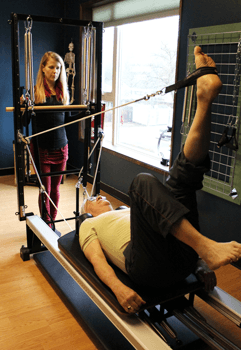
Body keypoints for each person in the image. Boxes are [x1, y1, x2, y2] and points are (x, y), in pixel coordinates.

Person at [79, 47, 241, 313]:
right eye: (93, 201)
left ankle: (205, 98)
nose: (98, 197)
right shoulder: (90, 226)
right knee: (142, 183)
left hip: (181, 256)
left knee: (181, 180)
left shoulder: (128, 212)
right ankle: (206, 247)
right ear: (88, 213)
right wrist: (119, 289)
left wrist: (198, 264)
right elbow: (98, 262)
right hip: (146, 269)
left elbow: (168, 223)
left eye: (98, 196)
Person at [32, 51, 70, 227]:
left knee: (55, 189)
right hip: (42, 148)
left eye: (58, 67)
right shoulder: (36, 93)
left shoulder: (63, 92)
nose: (55, 71)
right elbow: (25, 121)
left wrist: (88, 109)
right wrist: (23, 105)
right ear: (43, 68)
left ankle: (51, 223)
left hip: (61, 147)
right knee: (45, 189)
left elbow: (69, 118)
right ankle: (45, 221)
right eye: (51, 67)